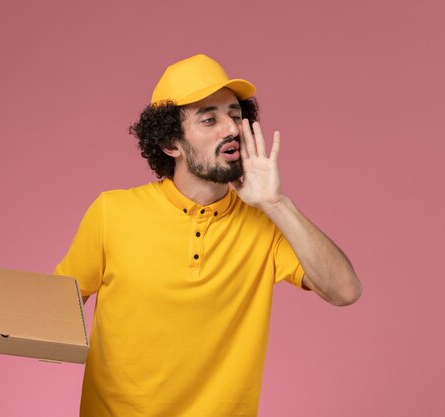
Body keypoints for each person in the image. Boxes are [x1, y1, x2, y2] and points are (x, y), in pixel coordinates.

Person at [55, 54, 362, 417]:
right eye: (209, 119)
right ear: (171, 143)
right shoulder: (112, 213)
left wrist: (277, 204)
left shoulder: (264, 224)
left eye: (235, 115)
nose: (231, 129)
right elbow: (54, 311)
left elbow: (345, 291)